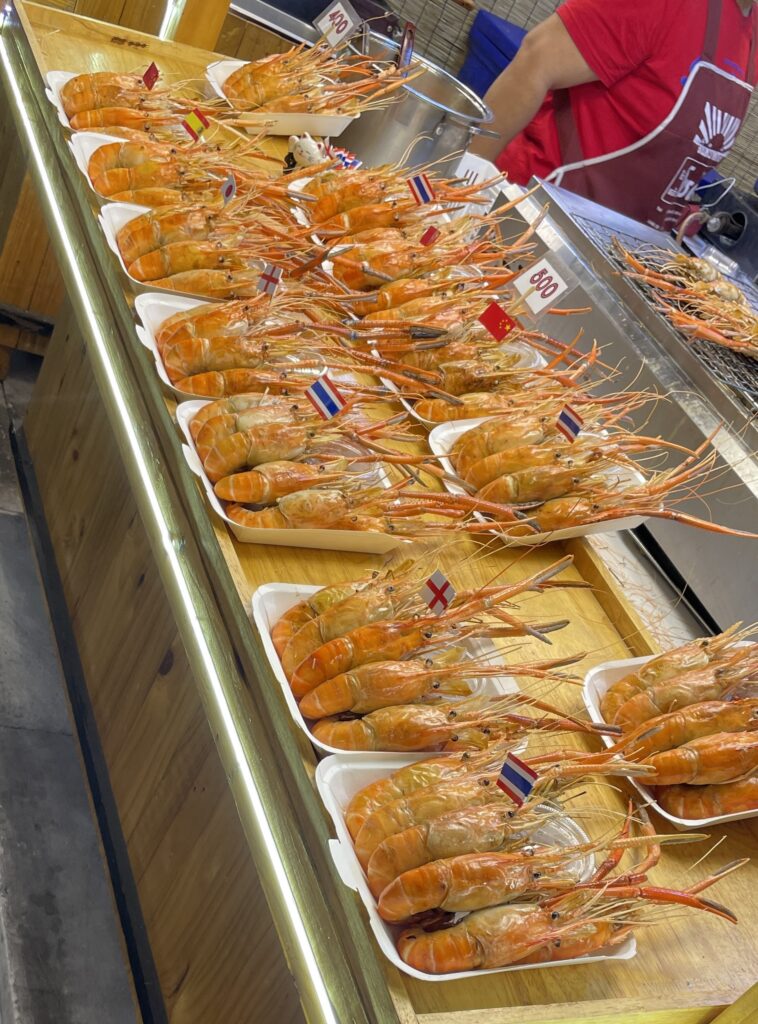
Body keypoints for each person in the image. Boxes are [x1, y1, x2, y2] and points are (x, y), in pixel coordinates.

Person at [470, 0, 758, 229]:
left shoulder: (752, 36)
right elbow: (537, 61)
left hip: (608, 245)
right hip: (527, 211)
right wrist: (465, 185)